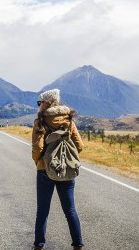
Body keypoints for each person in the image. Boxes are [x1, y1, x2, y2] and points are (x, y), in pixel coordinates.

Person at [31, 89, 84, 250]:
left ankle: (39, 245)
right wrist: (66, 156)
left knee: (43, 211)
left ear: (45, 103)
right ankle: (78, 244)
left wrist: (38, 161)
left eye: (39, 103)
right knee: (70, 210)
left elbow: (37, 148)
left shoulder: (40, 121)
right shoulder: (69, 120)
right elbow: (79, 146)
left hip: (44, 171)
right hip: (66, 170)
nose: (38, 106)